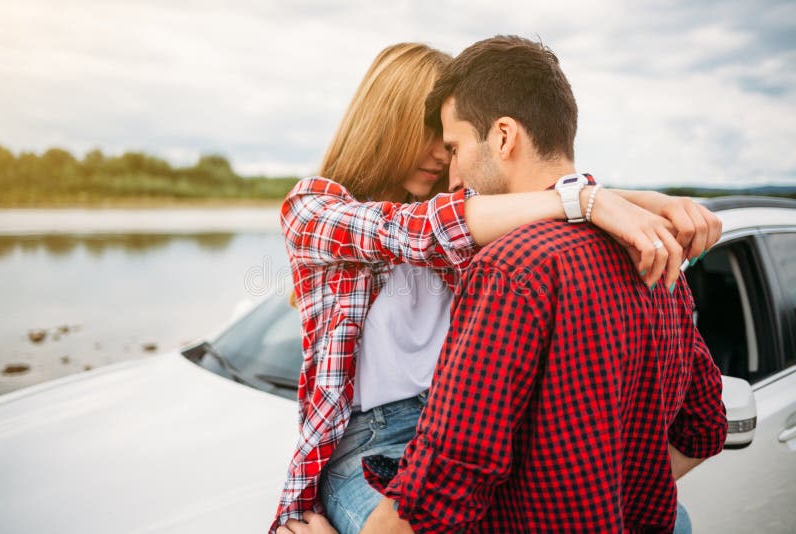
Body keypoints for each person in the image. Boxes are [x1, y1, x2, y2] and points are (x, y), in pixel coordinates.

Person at [272, 42, 722, 534]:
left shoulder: (481, 217)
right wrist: (591, 199)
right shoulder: (314, 207)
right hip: (367, 444)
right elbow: (413, 231)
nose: (441, 159)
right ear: (384, 127)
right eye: (427, 138)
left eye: (449, 145)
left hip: (450, 426)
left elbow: (533, 192)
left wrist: (635, 201)